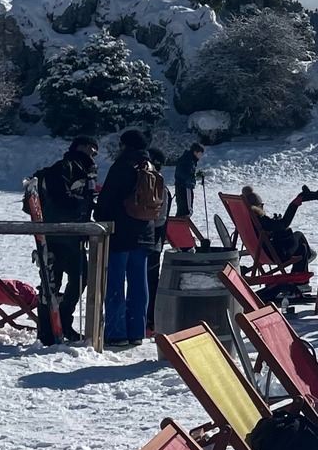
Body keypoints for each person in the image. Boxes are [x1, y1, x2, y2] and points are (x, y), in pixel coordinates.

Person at [95, 128, 160, 347]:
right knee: (139, 283)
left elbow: (107, 197)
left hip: (120, 232)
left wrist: (99, 214)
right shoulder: (150, 167)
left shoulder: (122, 166)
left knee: (115, 282)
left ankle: (116, 332)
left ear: (126, 145)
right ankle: (136, 331)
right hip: (145, 232)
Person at [34, 136, 98, 340]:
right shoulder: (63, 168)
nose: (94, 154)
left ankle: (62, 321)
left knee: (80, 279)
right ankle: (47, 330)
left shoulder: (83, 171)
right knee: (51, 283)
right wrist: (85, 201)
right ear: (80, 147)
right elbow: (61, 197)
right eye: (91, 149)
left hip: (74, 237)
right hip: (57, 237)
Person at [238, 186, 314, 274]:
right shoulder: (258, 218)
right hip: (274, 255)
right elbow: (284, 223)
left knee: (302, 249)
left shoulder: (244, 217)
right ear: (258, 206)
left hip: (260, 253)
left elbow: (271, 228)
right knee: (299, 235)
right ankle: (309, 256)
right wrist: (294, 204)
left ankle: (300, 280)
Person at [171, 140, 203, 221]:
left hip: (181, 186)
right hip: (185, 187)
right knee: (187, 211)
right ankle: (180, 229)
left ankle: (178, 229)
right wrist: (192, 177)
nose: (200, 156)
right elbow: (185, 174)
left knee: (182, 210)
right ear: (196, 152)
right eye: (200, 153)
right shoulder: (189, 160)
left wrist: (195, 175)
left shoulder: (187, 158)